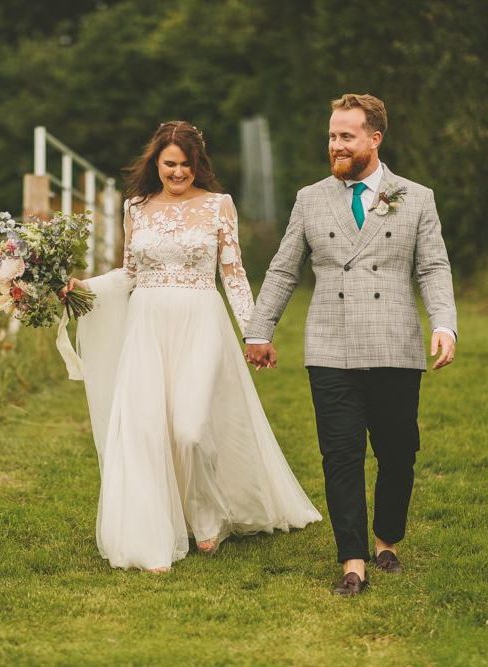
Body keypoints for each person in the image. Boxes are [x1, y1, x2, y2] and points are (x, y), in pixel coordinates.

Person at [58, 120, 321, 572]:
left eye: (185, 165)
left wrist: (255, 332)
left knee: (191, 429)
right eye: (169, 164)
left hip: (201, 319)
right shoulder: (136, 207)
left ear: (198, 165)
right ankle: (166, 521)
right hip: (148, 324)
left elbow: (233, 275)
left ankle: (209, 511)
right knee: (148, 430)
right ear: (156, 164)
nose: (177, 173)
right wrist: (86, 288)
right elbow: (130, 273)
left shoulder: (219, 206)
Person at [244, 94, 457, 595]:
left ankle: (387, 541)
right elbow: (281, 268)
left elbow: (432, 267)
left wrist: (444, 322)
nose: (335, 145)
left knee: (398, 451)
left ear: (374, 138)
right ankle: (353, 560)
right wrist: (259, 329)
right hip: (330, 345)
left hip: (394, 345)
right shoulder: (310, 198)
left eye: (346, 136)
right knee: (340, 455)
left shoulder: (416, 197)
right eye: (332, 136)